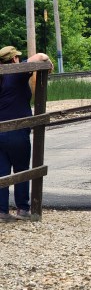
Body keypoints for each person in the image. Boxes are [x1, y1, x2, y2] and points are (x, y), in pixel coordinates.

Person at [0, 46, 53, 222]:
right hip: (17, 129)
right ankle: (23, 208)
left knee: (2, 172)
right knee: (21, 169)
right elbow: (40, 56)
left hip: (1, 130)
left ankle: (2, 211)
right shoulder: (17, 73)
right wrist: (48, 61)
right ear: (14, 59)